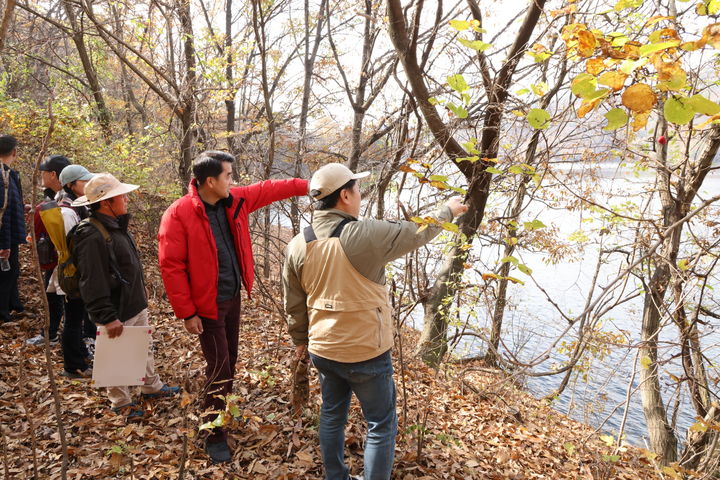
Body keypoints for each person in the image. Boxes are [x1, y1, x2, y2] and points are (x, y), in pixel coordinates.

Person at [282, 163, 468, 480]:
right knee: (381, 423)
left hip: (324, 349)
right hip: (366, 352)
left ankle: (336, 477)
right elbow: (415, 233)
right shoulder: (363, 234)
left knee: (331, 415)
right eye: (356, 189)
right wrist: (448, 210)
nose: (359, 195)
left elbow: (294, 304)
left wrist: (301, 340)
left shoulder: (298, 244)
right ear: (344, 195)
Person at [157, 150, 308, 463]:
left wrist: (310, 186)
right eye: (228, 175)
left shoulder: (234, 200)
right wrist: (187, 312)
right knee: (220, 370)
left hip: (232, 297)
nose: (233, 180)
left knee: (229, 361)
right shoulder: (179, 213)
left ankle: (218, 413)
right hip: (206, 306)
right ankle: (213, 433)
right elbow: (171, 266)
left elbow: (269, 189)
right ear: (210, 181)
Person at [71, 173, 178, 419]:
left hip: (133, 302)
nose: (126, 199)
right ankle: (121, 402)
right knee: (118, 356)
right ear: (106, 202)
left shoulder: (116, 225)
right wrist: (107, 317)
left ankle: (151, 387)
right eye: (121, 196)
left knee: (143, 347)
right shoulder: (91, 235)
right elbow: (91, 280)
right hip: (115, 308)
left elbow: (125, 266)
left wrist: (140, 290)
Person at [27, 155, 71, 345]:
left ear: (53, 174)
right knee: (52, 295)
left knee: (66, 300)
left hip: (63, 259)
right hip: (55, 257)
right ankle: (51, 333)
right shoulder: (55, 195)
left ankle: (71, 337)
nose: (42, 175)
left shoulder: (68, 198)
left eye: (44, 172)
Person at [59, 164, 97, 352]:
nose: (88, 184)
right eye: (84, 181)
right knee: (73, 319)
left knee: (82, 315)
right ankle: (73, 365)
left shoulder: (80, 205)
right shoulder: (67, 211)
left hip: (82, 271)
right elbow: (71, 245)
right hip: (73, 273)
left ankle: (81, 355)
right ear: (71, 185)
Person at [0, 135, 26, 324]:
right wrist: (4, 244)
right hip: (5, 237)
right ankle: (3, 313)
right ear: (14, 152)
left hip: (11, 236)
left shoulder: (9, 174)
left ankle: (13, 304)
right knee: (5, 275)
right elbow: (3, 213)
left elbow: (10, 205)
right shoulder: (2, 176)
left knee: (13, 271)